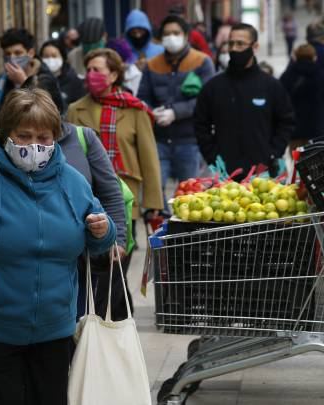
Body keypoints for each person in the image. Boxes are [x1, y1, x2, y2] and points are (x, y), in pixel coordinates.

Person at [0, 88, 116, 405]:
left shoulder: (73, 182)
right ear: (5, 134)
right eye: (24, 136)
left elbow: (100, 239)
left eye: (43, 137)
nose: (33, 146)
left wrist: (103, 231)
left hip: (55, 327)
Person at [67, 48, 162, 320]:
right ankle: (111, 320)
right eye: (88, 70)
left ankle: (110, 322)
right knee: (97, 273)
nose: (91, 75)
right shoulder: (75, 109)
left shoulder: (134, 109)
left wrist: (153, 205)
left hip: (124, 199)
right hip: (87, 201)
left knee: (116, 268)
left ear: (114, 74)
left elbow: (149, 159)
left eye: (97, 70)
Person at [23, 74, 128, 321]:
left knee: (74, 323)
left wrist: (117, 237)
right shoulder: (12, 147)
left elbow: (110, 191)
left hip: (76, 257)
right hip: (26, 259)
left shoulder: (83, 139)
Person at [195, 23, 295, 177]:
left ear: (255, 47)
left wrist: (273, 153)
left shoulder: (271, 86)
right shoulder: (213, 87)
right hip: (225, 175)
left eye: (240, 44)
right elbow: (200, 124)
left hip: (263, 174)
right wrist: (212, 157)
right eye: (231, 43)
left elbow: (286, 121)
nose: (234, 49)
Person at [138, 15, 214, 207]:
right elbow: (142, 97)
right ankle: (160, 222)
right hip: (159, 139)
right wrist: (152, 112)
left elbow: (206, 100)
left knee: (191, 196)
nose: (171, 37)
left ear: (186, 35)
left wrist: (175, 112)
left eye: (176, 33)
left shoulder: (202, 62)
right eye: (166, 34)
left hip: (190, 140)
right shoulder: (152, 65)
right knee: (155, 193)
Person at [0, 28, 53, 106]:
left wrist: (24, 82)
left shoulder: (46, 79)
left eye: (18, 53)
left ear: (31, 53)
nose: (12, 58)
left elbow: (48, 108)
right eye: (7, 54)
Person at [280, 44, 324, 152]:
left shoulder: (287, 76)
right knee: (316, 160)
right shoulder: (320, 75)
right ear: (314, 57)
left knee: (298, 159)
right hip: (317, 128)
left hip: (295, 128)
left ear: (295, 57)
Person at [40, 39, 85, 110]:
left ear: (63, 57)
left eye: (54, 56)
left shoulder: (75, 81)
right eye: (46, 56)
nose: (50, 59)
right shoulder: (37, 79)